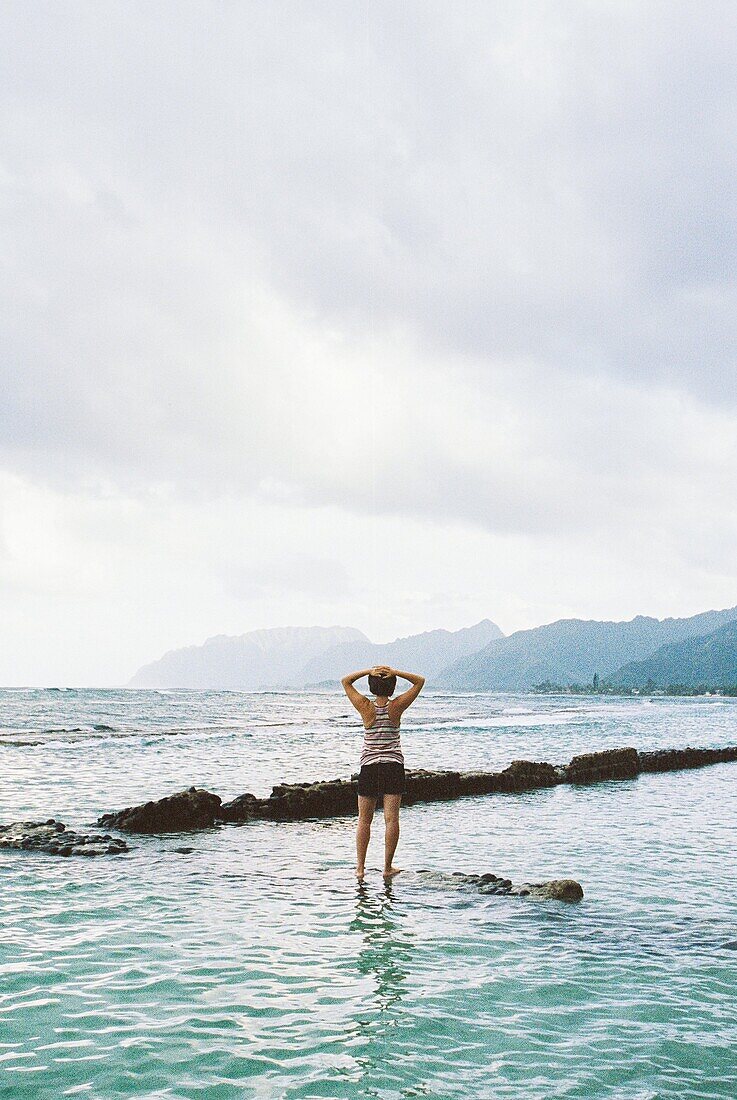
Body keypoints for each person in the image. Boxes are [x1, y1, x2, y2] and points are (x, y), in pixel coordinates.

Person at [341, 664, 426, 881]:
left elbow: (345, 681)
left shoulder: (364, 706)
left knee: (364, 820)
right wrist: (396, 671)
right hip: (393, 766)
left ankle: (360, 869)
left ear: (371, 686)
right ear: (392, 685)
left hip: (369, 767)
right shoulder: (396, 706)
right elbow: (419, 681)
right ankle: (387, 868)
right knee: (391, 820)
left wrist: (367, 671)